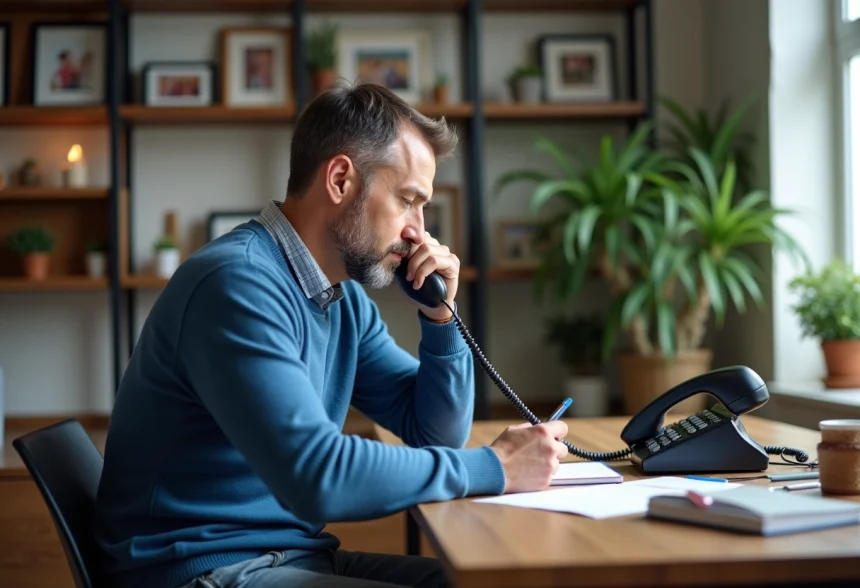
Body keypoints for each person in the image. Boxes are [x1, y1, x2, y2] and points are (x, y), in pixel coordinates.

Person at [92, 81, 569, 588]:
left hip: (287, 559)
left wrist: (440, 316)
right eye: (409, 200)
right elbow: (318, 474)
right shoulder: (237, 284)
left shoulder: (340, 300)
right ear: (340, 179)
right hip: (203, 570)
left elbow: (434, 434)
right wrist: (494, 467)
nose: (418, 231)